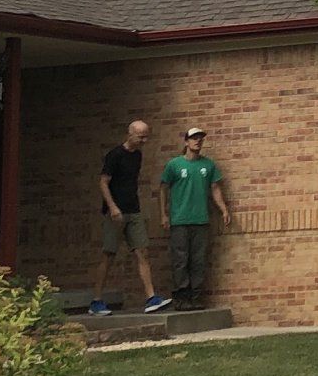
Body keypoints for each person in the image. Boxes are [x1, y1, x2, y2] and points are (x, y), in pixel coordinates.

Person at [87, 117, 171, 314]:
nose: (144, 141)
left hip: (133, 210)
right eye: (141, 137)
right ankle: (96, 301)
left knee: (142, 252)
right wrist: (113, 207)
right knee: (109, 254)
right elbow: (103, 182)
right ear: (130, 134)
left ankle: (151, 298)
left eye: (146, 137)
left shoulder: (137, 156)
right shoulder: (115, 155)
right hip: (115, 212)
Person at [159, 128, 231, 307]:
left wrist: (223, 209)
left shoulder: (208, 165)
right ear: (186, 142)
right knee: (180, 260)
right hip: (180, 220)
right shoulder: (174, 165)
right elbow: (163, 188)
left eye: (200, 139)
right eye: (193, 138)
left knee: (198, 260)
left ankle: (196, 296)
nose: (197, 141)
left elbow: (215, 188)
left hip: (201, 219)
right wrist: (163, 213)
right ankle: (182, 297)